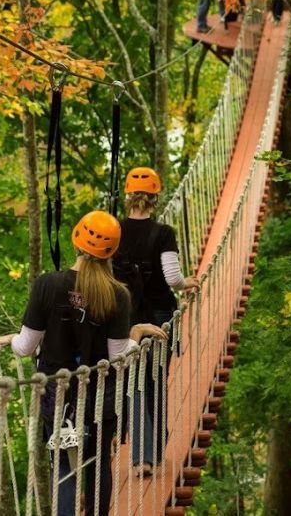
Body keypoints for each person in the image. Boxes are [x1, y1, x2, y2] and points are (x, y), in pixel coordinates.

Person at [0, 210, 166, 516]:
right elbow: (118, 357)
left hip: (57, 396)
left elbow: (25, 347)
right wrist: (135, 333)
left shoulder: (47, 284)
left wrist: (12, 338)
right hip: (100, 397)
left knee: (64, 467)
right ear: (111, 251)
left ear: (76, 241)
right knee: (98, 466)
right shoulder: (117, 295)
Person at [111, 167, 198, 477]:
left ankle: (140, 458)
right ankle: (155, 451)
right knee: (155, 381)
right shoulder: (163, 233)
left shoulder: (114, 231)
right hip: (160, 317)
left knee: (133, 384)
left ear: (128, 197)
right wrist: (188, 283)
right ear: (155, 198)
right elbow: (172, 278)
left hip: (127, 318)